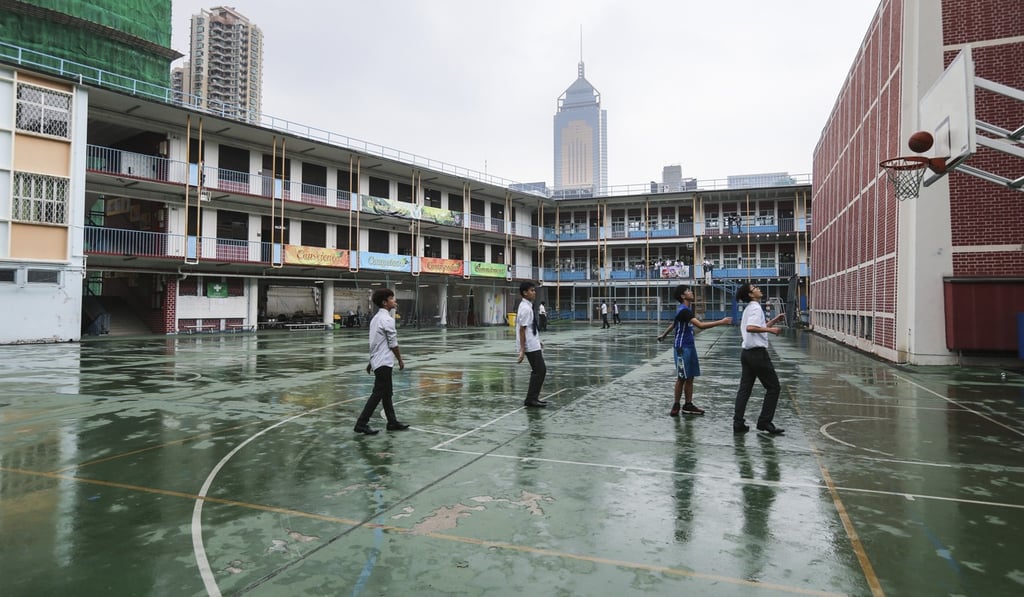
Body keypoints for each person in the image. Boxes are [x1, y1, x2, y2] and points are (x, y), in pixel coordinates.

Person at [657, 286, 732, 417]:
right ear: (683, 296)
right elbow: (700, 326)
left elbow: (674, 324)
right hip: (682, 348)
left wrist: (664, 335)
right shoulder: (684, 311)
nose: (691, 292)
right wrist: (722, 321)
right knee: (682, 377)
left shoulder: (686, 309)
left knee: (690, 376)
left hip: (690, 346)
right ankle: (676, 405)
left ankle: (688, 405)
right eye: (688, 291)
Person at [354, 288, 410, 434]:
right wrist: (400, 359)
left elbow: (374, 343)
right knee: (378, 394)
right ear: (385, 303)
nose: (394, 301)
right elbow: (393, 344)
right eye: (391, 298)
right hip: (384, 362)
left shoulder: (375, 319)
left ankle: (392, 422)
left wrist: (371, 361)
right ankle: (361, 423)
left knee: (387, 393)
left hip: (378, 361)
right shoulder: (387, 320)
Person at [733, 283, 786, 434]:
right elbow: (751, 328)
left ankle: (738, 422)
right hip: (757, 354)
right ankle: (764, 422)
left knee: (745, 389)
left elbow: (757, 327)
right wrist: (772, 330)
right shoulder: (755, 308)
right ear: (751, 294)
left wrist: (773, 321)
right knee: (774, 387)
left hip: (746, 354)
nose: (758, 289)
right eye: (754, 288)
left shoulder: (749, 308)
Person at [516, 281, 547, 408]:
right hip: (529, 346)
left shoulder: (527, 306)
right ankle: (531, 399)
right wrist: (522, 350)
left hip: (532, 343)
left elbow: (529, 328)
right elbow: (522, 329)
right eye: (531, 290)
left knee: (539, 370)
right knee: (540, 370)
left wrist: (537, 340)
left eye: (534, 290)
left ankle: (532, 398)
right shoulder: (525, 308)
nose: (534, 293)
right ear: (525, 293)